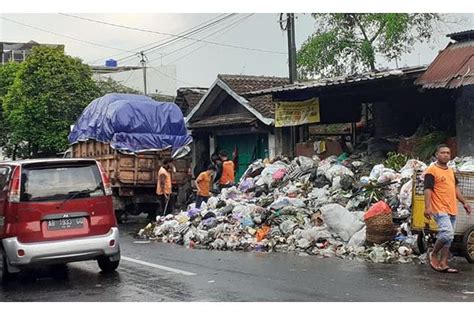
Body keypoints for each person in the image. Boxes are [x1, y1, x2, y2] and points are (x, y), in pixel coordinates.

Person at [424, 144, 472, 273]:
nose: (446, 155)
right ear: (437, 155)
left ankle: (444, 263)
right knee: (447, 233)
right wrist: (427, 207)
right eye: (443, 152)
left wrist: (464, 202)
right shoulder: (431, 170)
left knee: (449, 238)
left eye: (448, 153)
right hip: (438, 208)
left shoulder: (450, 170)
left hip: (451, 207)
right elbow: (428, 189)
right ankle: (433, 253)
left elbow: (455, 188)